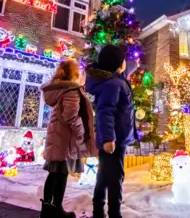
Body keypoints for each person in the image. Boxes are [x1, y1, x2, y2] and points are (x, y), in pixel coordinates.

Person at [86, 44, 139, 218]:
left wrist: (133, 63)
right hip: (114, 139)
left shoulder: (113, 79)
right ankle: (114, 213)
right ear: (117, 64)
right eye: (123, 60)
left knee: (103, 175)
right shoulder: (113, 84)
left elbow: (126, 69)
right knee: (115, 177)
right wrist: (109, 138)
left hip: (112, 138)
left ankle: (98, 211)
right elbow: (105, 111)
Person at [41, 59, 98, 218]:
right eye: (78, 71)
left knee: (54, 173)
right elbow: (71, 115)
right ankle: (56, 210)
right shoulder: (71, 91)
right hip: (66, 140)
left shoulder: (61, 90)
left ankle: (47, 210)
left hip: (58, 138)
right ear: (74, 74)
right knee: (61, 174)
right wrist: (81, 133)